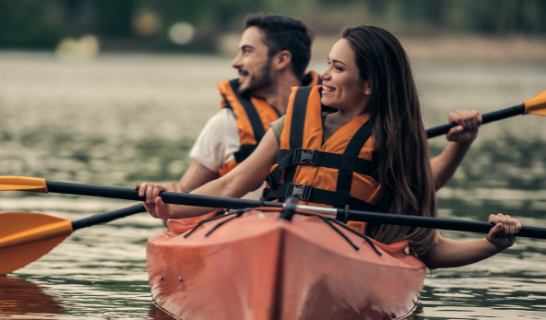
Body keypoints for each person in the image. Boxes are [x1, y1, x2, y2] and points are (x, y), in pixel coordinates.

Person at [138, 25, 520, 269]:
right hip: (269, 234)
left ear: (369, 84)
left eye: (337, 68)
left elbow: (429, 249)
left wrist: (492, 245)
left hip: (347, 252)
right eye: (327, 64)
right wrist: (166, 202)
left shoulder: (396, 144)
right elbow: (228, 186)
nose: (324, 76)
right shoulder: (293, 122)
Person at [165, 14, 481, 216]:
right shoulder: (233, 124)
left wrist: (460, 144)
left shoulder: (374, 127)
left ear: (282, 59)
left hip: (335, 236)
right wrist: (164, 201)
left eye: (246, 51)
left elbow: (418, 185)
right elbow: (213, 188)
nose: (235, 62)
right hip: (249, 229)